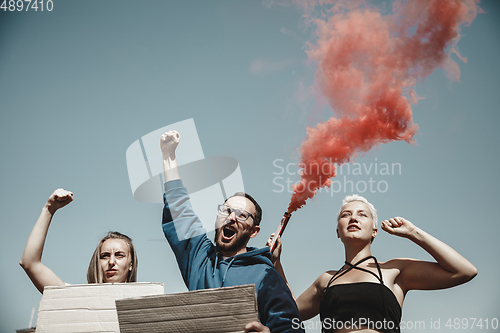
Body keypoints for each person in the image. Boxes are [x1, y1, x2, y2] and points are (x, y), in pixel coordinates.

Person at [160, 130, 304, 333]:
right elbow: (179, 210)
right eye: (226, 210)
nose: (232, 217)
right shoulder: (200, 259)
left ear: (254, 231)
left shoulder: (266, 276)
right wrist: (168, 156)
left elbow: (291, 329)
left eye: (242, 215)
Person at [269, 194, 477, 333]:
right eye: (346, 215)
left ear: (374, 231)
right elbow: (289, 313)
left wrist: (414, 233)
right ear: (337, 232)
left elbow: (464, 271)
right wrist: (277, 262)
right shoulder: (327, 280)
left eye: (362, 214)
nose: (353, 218)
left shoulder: (394, 271)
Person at [20, 189, 138, 293]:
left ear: (131, 264)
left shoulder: (147, 299)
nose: (111, 262)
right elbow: (29, 262)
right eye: (105, 256)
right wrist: (49, 209)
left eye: (120, 255)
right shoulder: (77, 296)